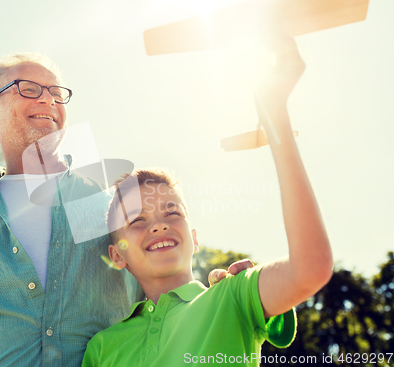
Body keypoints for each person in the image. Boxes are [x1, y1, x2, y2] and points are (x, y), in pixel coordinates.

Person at [0, 53, 251, 367]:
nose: (48, 99)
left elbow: (167, 299)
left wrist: (219, 296)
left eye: (56, 92)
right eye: (29, 88)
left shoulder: (115, 209)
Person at [81, 34, 333, 367]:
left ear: (195, 238)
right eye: (138, 220)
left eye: (171, 213)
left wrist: (275, 115)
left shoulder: (233, 296)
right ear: (116, 256)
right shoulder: (103, 348)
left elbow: (310, 268)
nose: (158, 225)